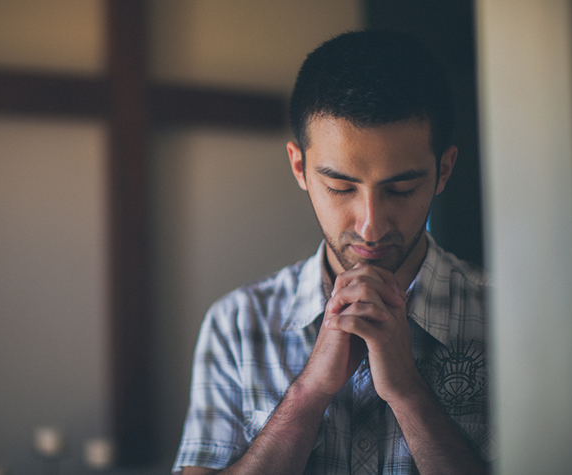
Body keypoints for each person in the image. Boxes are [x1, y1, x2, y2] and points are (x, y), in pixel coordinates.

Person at [173, 30, 491, 475]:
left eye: (401, 189)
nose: (370, 225)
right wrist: (308, 394)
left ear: (444, 170)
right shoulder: (236, 324)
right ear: (299, 167)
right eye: (341, 187)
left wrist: (407, 392)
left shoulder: (507, 319)